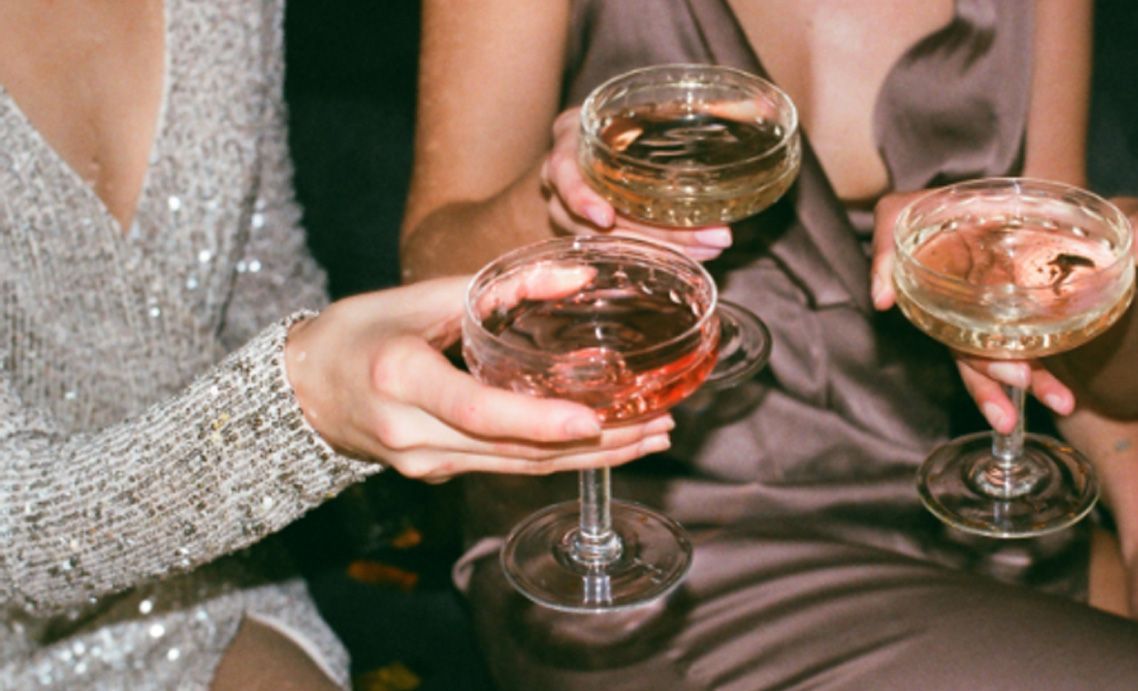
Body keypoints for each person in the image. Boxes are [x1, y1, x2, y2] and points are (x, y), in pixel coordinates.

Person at [401, 0, 1138, 688]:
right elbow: (428, 270)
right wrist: (562, 208)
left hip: (954, 494)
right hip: (634, 523)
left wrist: (1127, 466)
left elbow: (1057, 303)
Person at [0, 1, 675, 689]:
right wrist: (300, 408)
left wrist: (382, 431)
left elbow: (260, 271)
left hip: (194, 573)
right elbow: (15, 533)